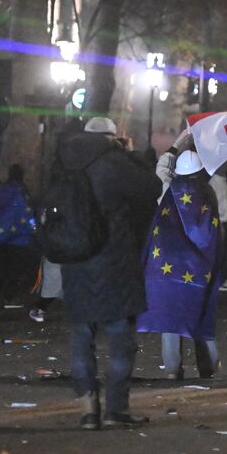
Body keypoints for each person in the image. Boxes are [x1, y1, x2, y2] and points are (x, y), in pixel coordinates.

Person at [58, 116, 162, 429]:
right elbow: (151, 187)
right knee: (120, 339)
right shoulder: (114, 164)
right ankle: (116, 408)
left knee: (81, 335)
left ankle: (88, 408)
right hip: (113, 260)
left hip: (76, 260)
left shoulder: (64, 163)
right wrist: (129, 153)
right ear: (111, 138)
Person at [138, 138, 223, 380]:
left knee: (170, 318)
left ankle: (173, 369)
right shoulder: (210, 193)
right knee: (200, 312)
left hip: (165, 264)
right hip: (199, 265)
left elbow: (161, 169)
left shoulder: (167, 189)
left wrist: (177, 144)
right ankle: (208, 366)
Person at [0, 164, 37, 302]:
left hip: (3, 237)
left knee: (4, 264)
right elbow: (26, 211)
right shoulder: (21, 191)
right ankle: (8, 293)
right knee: (15, 266)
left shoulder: (2, 190)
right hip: (19, 237)